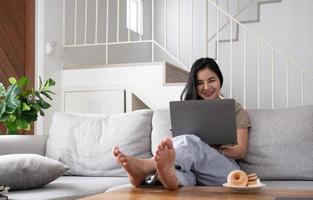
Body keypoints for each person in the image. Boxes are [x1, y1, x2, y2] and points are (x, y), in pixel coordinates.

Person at [112, 57, 251, 190]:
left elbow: (241, 151)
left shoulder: (234, 108)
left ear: (220, 80)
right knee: (177, 173)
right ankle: (162, 179)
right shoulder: (189, 111)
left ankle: (146, 165)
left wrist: (211, 148)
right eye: (199, 83)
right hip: (194, 172)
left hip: (225, 172)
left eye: (211, 80)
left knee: (189, 141)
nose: (206, 87)